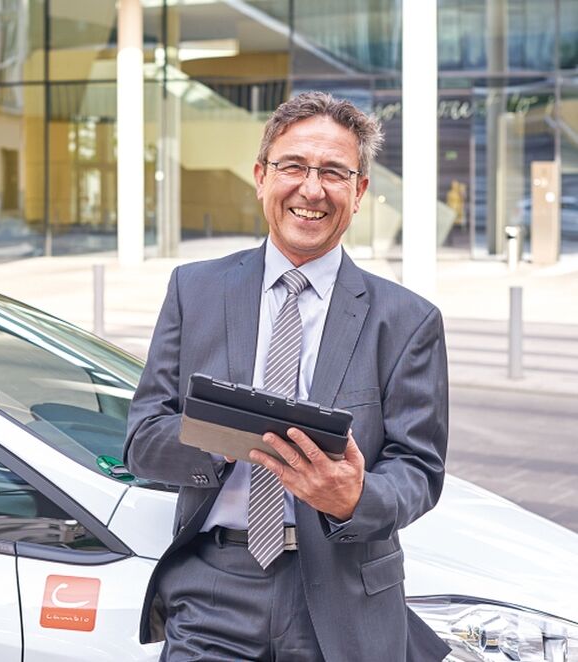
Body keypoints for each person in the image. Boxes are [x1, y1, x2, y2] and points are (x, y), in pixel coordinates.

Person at [123, 92, 450, 662]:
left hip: (343, 595)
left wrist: (355, 496)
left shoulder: (407, 321)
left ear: (360, 190)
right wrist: (230, 439)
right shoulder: (193, 291)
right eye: (294, 166)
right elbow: (142, 440)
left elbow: (419, 468)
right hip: (213, 587)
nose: (312, 189)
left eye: (333, 172)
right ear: (260, 176)